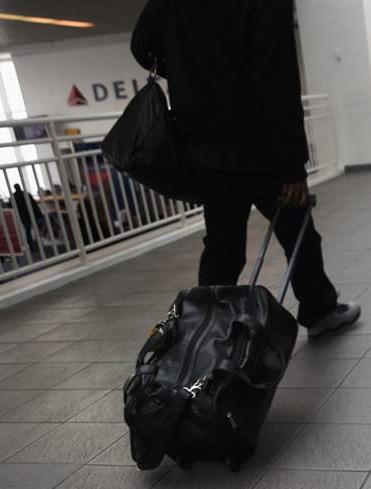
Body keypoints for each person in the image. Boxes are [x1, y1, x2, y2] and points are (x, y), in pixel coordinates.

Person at [130, 0, 359, 336]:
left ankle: (206, 327)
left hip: (203, 141)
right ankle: (320, 310)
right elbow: (277, 75)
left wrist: (188, 72)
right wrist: (294, 165)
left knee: (223, 245)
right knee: (297, 232)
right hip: (260, 143)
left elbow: (141, 45)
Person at [11, 183, 42, 251]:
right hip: (32, 215)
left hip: (24, 217)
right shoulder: (26, 194)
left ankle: (31, 247)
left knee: (28, 232)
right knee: (35, 230)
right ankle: (38, 245)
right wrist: (39, 214)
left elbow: (10, 206)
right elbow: (34, 205)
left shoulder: (14, 197)